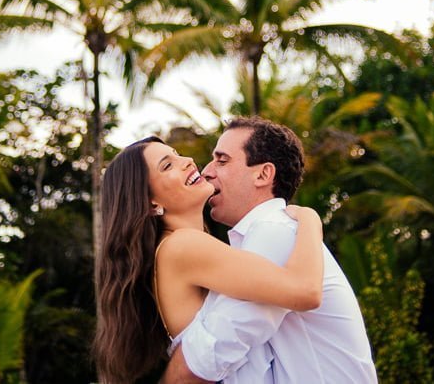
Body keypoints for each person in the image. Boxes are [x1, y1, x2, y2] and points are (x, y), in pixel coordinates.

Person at [161, 117, 378, 384]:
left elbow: (211, 354)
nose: (206, 170)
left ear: (263, 174)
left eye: (222, 160)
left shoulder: (274, 230)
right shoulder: (263, 236)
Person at [93, 134, 325, 383]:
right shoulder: (182, 246)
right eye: (167, 165)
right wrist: (310, 219)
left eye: (177, 153)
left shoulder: (176, 249)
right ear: (151, 202)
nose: (187, 161)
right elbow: (305, 291)